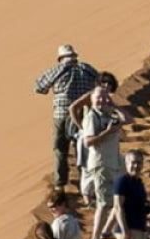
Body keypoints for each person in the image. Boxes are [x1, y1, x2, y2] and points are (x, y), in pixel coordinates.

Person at [69, 74, 126, 239]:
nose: (106, 87)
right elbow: (73, 108)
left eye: (109, 85)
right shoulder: (92, 101)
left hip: (111, 159)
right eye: (103, 84)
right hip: (95, 149)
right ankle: (95, 234)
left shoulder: (107, 107)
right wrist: (81, 127)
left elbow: (127, 120)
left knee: (117, 198)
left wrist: (113, 106)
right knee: (88, 174)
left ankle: (105, 230)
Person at [33, 44, 100, 188]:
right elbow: (102, 84)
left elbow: (39, 87)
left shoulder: (58, 70)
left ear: (60, 58)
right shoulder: (88, 69)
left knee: (60, 149)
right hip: (83, 114)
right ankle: (86, 182)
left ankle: (60, 184)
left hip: (61, 114)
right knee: (82, 149)